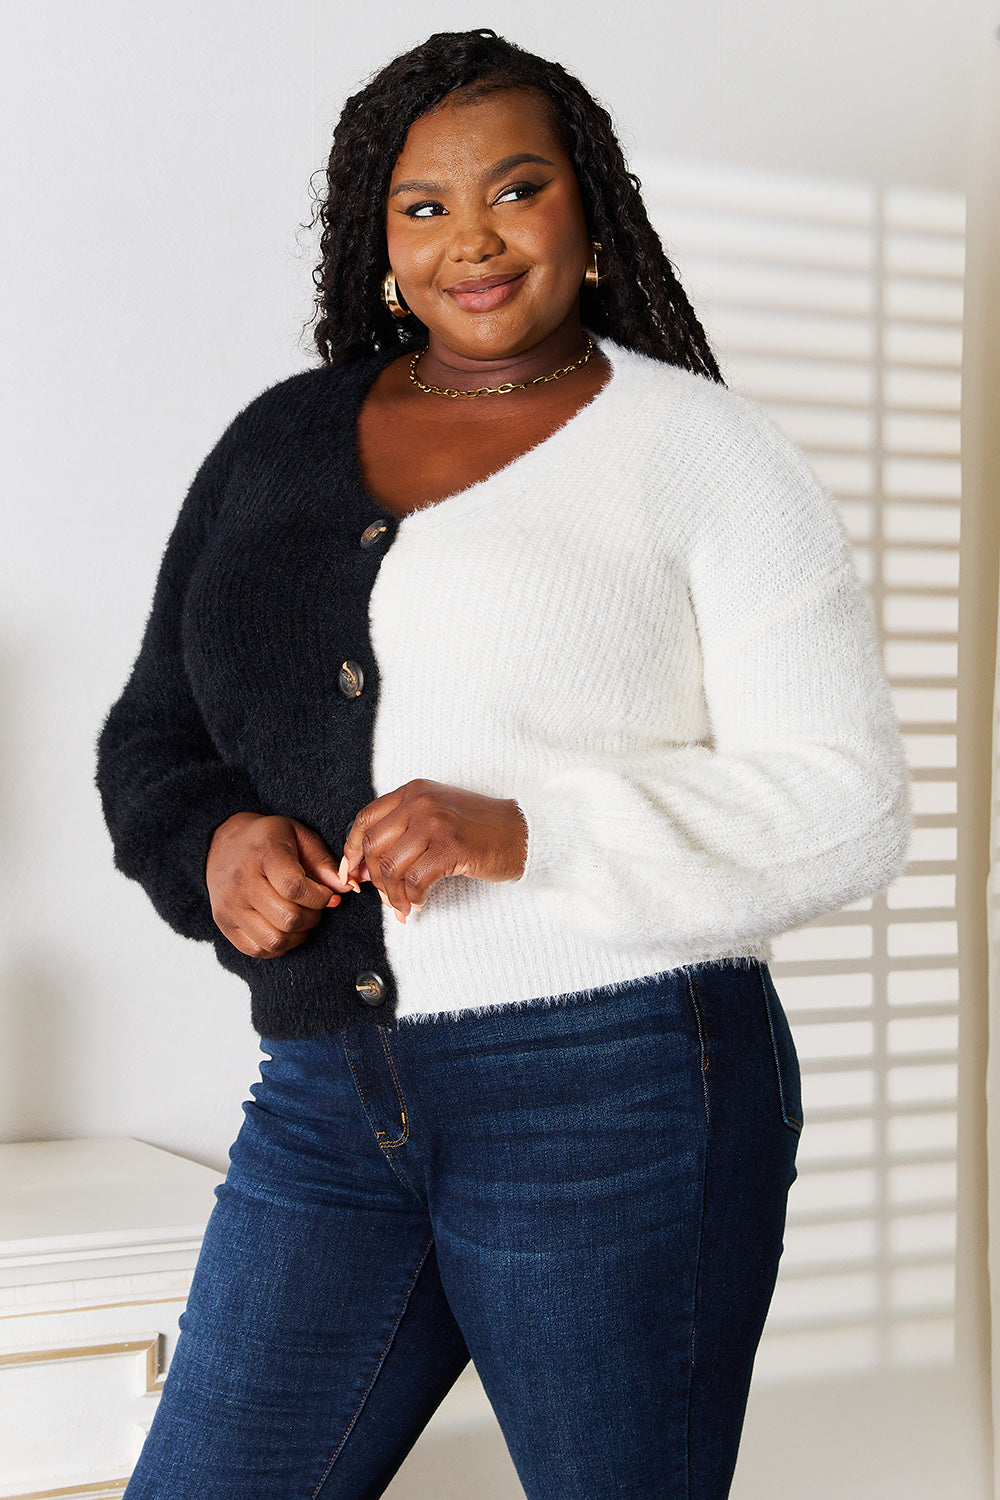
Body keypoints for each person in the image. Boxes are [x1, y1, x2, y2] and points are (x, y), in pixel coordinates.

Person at [96, 27, 912, 1500]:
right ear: (377, 237)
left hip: (620, 1086)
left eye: (516, 190)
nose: (471, 239)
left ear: (588, 212)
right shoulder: (278, 445)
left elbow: (849, 803)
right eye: (423, 207)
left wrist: (528, 832)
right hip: (328, 1095)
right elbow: (157, 733)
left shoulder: (703, 452)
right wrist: (212, 843)